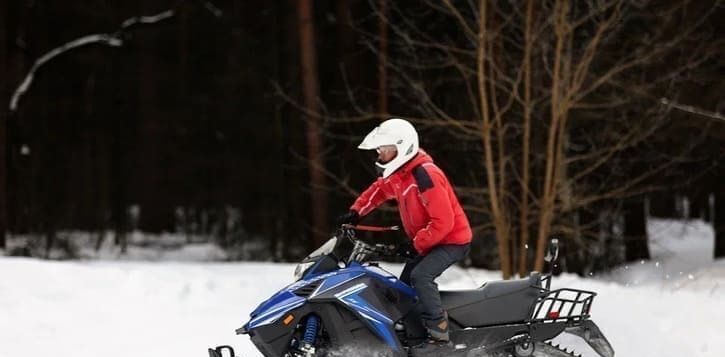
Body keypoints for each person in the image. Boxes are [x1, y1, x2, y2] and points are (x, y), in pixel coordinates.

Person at [338, 118, 472, 351]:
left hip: (452, 240)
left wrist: (415, 244)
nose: (379, 154)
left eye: (384, 149)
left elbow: (444, 222)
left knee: (421, 276)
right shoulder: (401, 175)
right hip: (432, 240)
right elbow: (379, 190)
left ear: (402, 147)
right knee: (403, 287)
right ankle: (413, 333)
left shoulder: (425, 175)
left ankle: (439, 336)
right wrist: (356, 212)